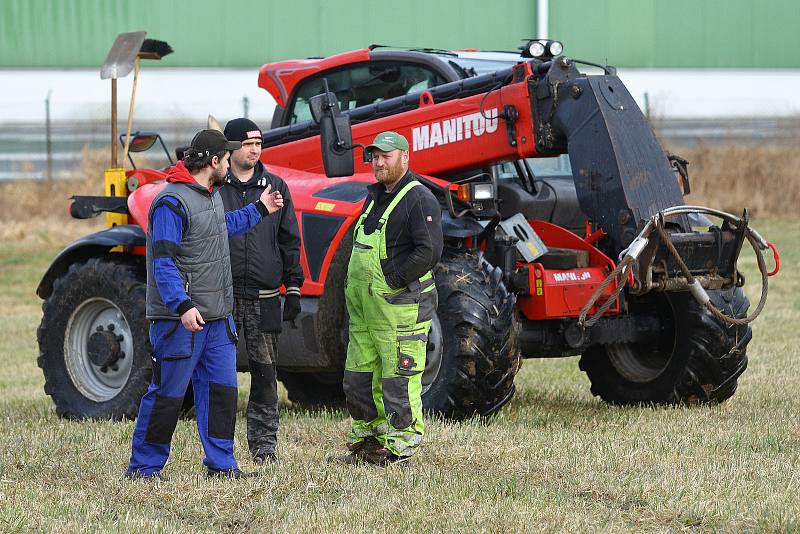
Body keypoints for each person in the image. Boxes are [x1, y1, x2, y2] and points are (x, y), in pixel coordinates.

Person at [126, 129, 284, 480]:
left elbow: (219, 227)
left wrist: (261, 208)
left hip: (217, 321)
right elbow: (163, 262)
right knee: (167, 394)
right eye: (227, 158)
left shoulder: (211, 195)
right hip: (180, 319)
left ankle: (222, 464)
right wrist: (182, 306)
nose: (231, 163)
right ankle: (144, 468)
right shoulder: (171, 202)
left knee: (221, 394)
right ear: (214, 161)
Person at [332, 131, 443, 466]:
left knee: (398, 379)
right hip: (366, 310)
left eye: (386, 156)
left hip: (400, 308)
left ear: (404, 157)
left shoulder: (419, 198)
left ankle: (399, 446)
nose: (378, 162)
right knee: (358, 377)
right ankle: (369, 439)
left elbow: (429, 251)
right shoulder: (374, 196)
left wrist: (392, 280)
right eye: (375, 157)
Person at [219, 118, 303, 464]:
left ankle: (264, 447)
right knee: (218, 376)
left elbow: (290, 241)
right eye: (247, 143)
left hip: (264, 298)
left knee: (265, 375)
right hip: (222, 297)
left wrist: (294, 287)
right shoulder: (215, 189)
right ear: (231, 148)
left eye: (259, 143)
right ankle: (219, 446)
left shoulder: (277, 187)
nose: (254, 149)